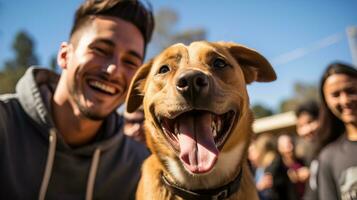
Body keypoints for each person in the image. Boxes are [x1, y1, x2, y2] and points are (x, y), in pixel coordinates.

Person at [0, 0, 154, 199]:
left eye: (130, 62)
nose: (113, 70)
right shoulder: (4, 126)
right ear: (65, 55)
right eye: (100, 50)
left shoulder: (138, 166)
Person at [315, 62, 357, 200]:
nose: (345, 100)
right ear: (326, 102)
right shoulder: (328, 157)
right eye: (335, 94)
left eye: (351, 91)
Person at [294, 101, 320, 200]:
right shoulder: (309, 152)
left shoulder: (334, 148)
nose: (306, 130)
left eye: (310, 122)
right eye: (301, 126)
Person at [277, 134, 307, 200]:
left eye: (290, 143)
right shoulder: (278, 168)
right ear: (279, 148)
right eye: (285, 146)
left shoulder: (301, 161)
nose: (289, 148)